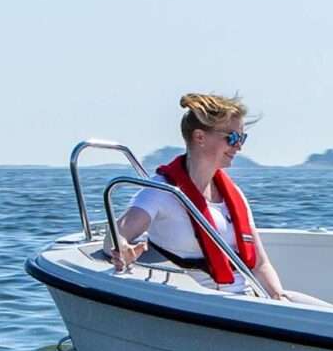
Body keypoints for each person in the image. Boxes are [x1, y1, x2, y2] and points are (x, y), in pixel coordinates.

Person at [111, 92, 291, 300]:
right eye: (232, 138)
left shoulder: (234, 196)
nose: (239, 146)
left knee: (318, 311)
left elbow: (260, 265)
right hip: (205, 303)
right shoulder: (161, 192)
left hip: (247, 298)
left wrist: (278, 298)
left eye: (242, 138)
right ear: (200, 137)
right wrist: (122, 249)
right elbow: (117, 234)